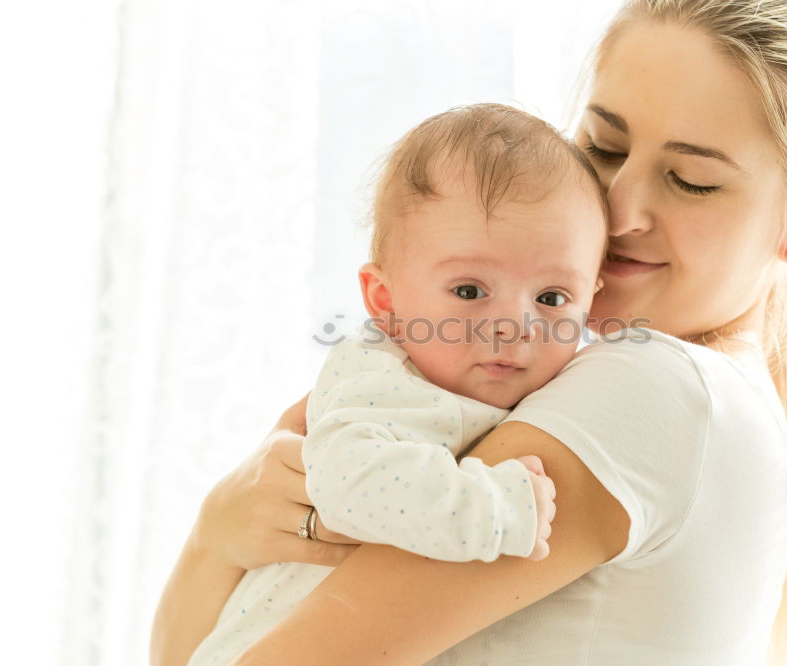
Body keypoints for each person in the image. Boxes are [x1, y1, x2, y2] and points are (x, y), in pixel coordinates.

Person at [151, 1, 787, 664]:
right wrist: (220, 530)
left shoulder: (657, 390)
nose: (617, 209)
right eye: (605, 147)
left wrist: (218, 539)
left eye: (690, 180)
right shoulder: (661, 392)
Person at [186, 102, 608, 664]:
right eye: (469, 291)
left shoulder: (565, 388)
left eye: (552, 299)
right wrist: (490, 508)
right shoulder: (381, 379)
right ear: (385, 301)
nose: (515, 324)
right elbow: (348, 485)